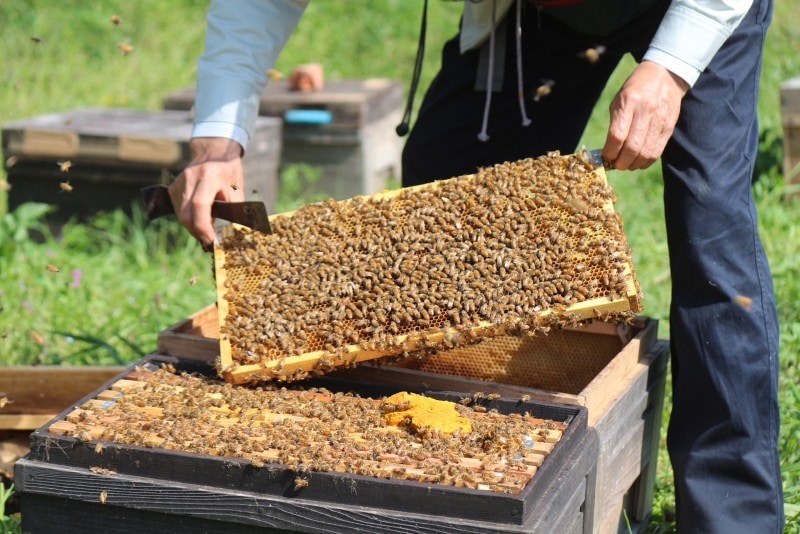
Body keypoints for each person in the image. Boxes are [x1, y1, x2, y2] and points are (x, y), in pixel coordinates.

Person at [169, 1, 783, 531]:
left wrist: (671, 69)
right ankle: (465, 481)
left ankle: (734, 517)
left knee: (712, 233)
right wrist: (218, 138)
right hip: (534, 20)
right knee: (441, 204)